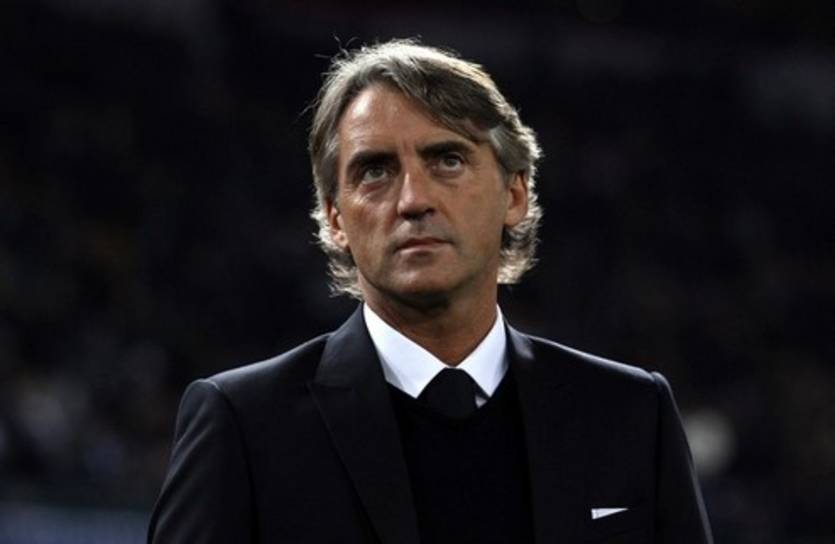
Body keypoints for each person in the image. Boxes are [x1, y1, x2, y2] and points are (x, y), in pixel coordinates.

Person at [148, 39, 713, 543]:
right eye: (375, 170)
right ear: (335, 219)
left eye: (447, 159)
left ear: (515, 195)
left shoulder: (630, 415)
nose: (413, 199)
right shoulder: (244, 425)